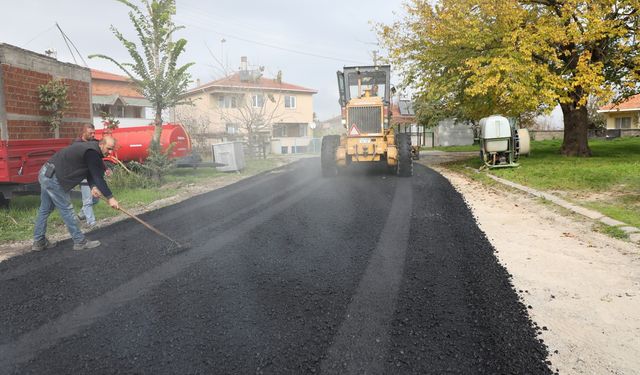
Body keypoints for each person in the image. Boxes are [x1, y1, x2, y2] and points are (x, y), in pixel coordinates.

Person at [32, 136, 119, 251]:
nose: (110, 152)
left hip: (46, 173)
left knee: (45, 208)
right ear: (101, 144)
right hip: (53, 178)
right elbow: (98, 177)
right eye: (108, 148)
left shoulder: (91, 150)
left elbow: (89, 171)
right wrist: (110, 198)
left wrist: (93, 187)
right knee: (67, 209)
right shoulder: (92, 152)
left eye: (112, 149)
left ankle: (39, 242)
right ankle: (80, 241)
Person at [75, 124, 98, 227]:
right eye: (90, 133)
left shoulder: (94, 143)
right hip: (83, 174)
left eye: (94, 132)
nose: (93, 135)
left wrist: (105, 168)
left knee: (95, 199)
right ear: (84, 132)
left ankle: (80, 215)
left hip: (93, 175)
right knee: (88, 200)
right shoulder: (77, 144)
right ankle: (91, 223)